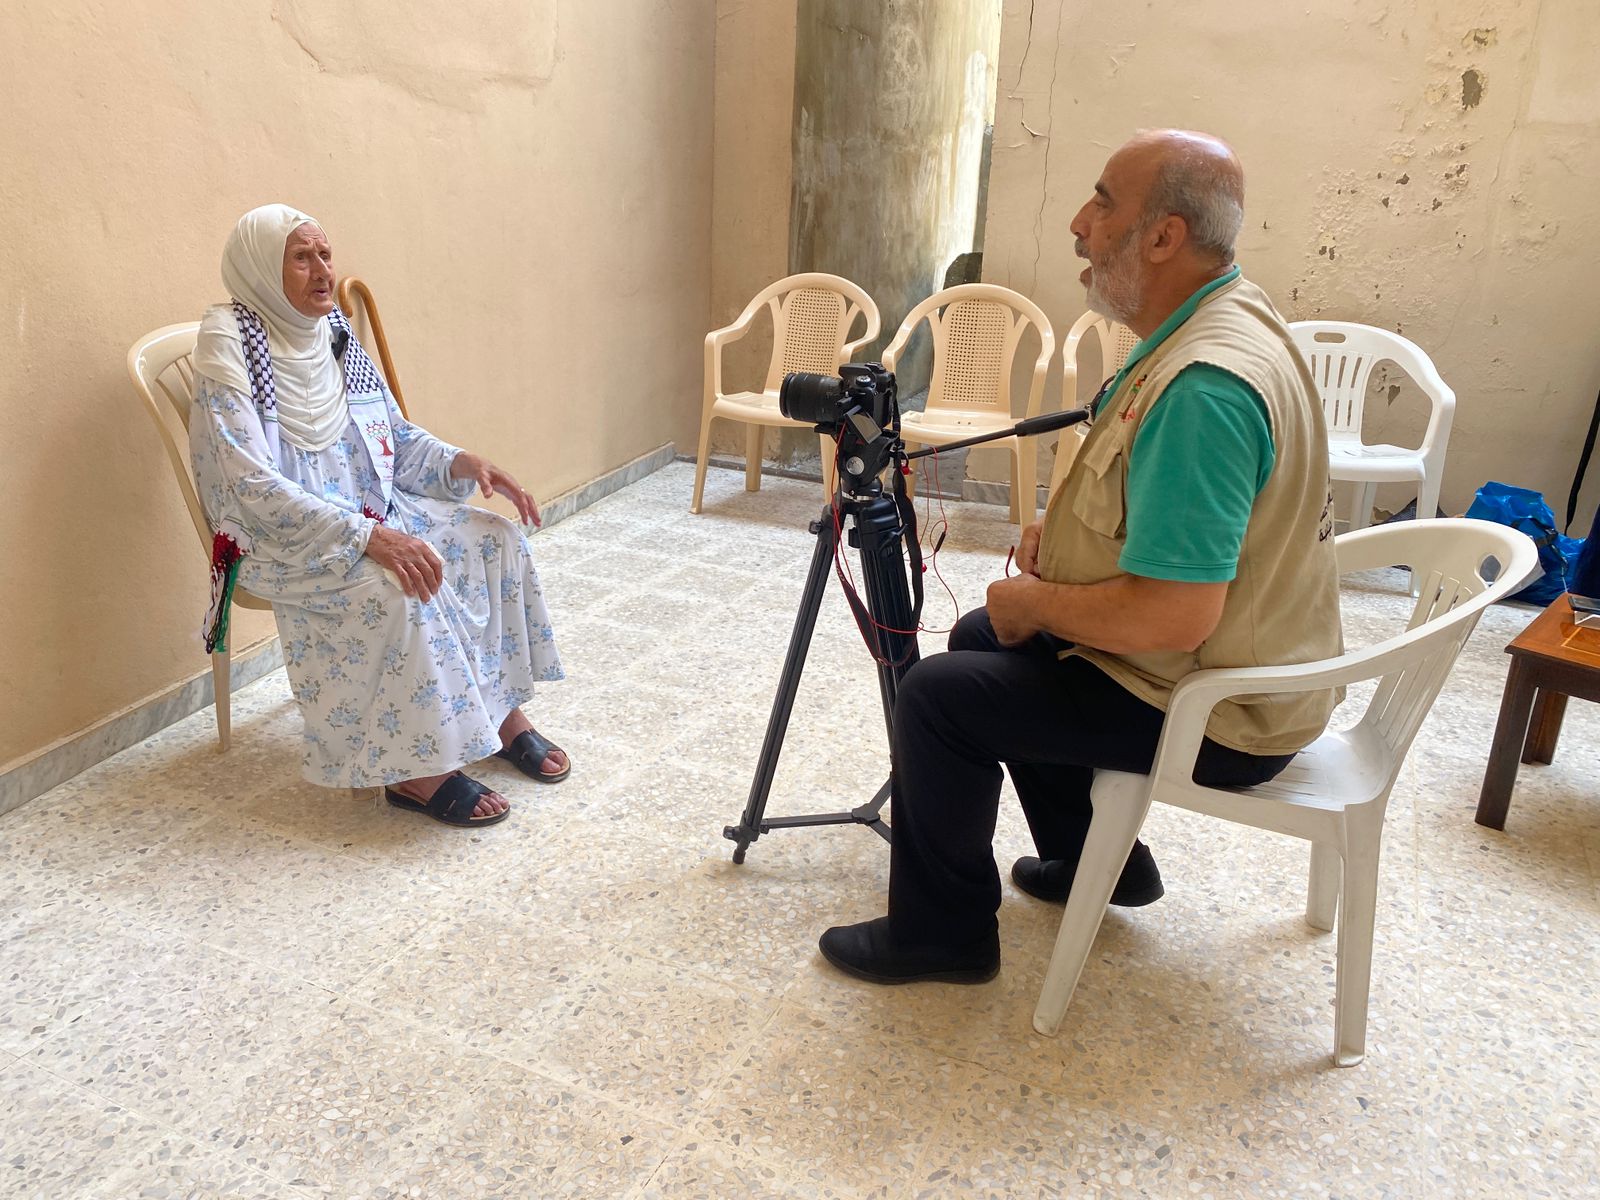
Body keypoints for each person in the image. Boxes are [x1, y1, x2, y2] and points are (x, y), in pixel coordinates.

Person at [819, 130, 1342, 982]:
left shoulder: (1204, 389)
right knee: (986, 638)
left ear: (1164, 236)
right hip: (1250, 666)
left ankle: (943, 936)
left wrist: (1038, 601)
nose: (1078, 223)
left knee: (938, 697)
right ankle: (1097, 860)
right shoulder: (1225, 315)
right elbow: (1183, 519)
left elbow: (1177, 614)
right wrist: (1064, 551)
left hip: (1228, 713)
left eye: (1103, 202)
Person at [190, 204, 568, 827]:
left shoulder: (333, 331)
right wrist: (368, 537)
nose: (323, 271)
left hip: (369, 511)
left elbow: (392, 435)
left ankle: (499, 714)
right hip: (283, 537)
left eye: (325, 254)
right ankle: (413, 771)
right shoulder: (231, 346)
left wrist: (462, 462)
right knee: (396, 584)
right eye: (301, 258)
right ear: (260, 270)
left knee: (492, 540)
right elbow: (249, 484)